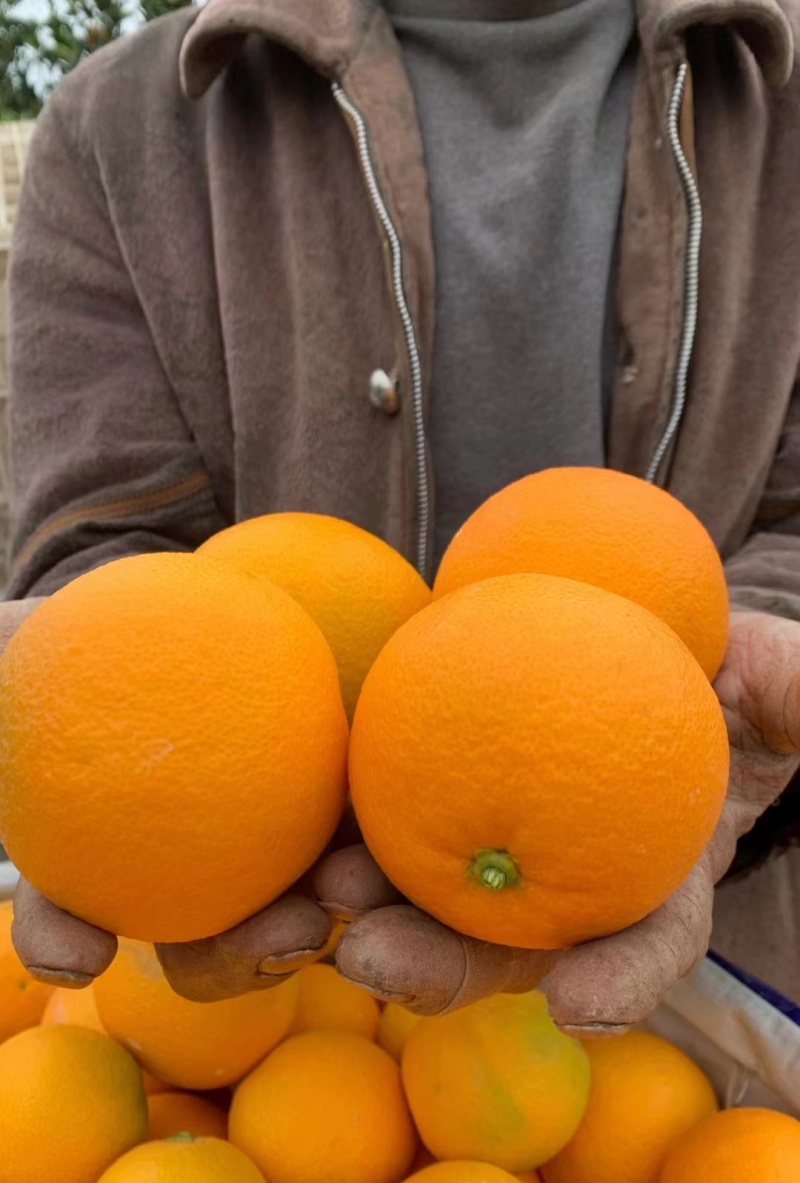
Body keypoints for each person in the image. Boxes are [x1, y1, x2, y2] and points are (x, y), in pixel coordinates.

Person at [4, 0, 800, 1028]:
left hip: (713, 965)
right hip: (276, 998)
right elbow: (103, 550)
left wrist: (745, 731)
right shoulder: (125, 127)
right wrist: (115, 754)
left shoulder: (776, 99)